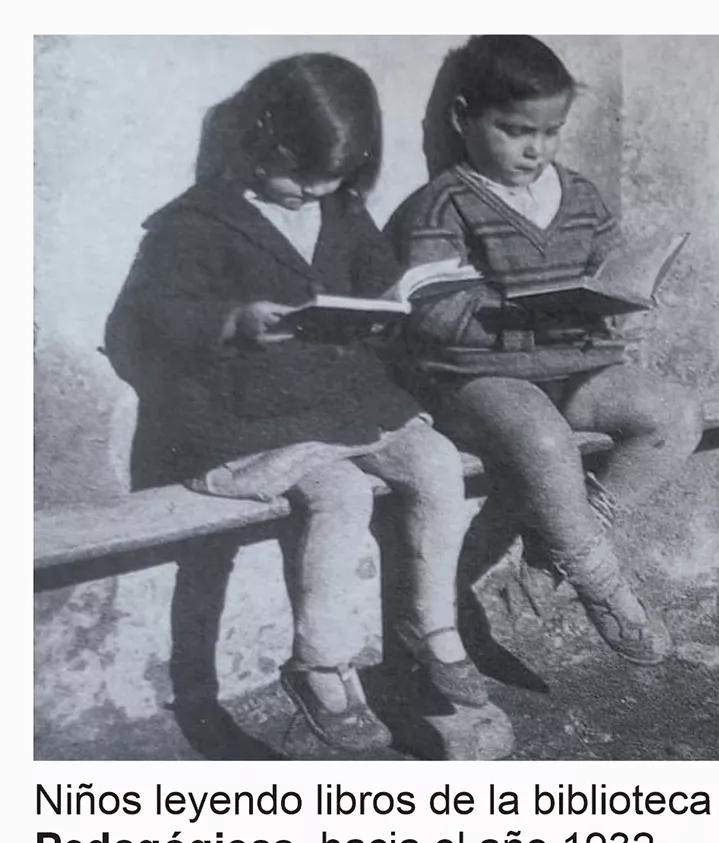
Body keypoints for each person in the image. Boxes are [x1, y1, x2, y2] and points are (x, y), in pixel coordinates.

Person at [105, 53, 490, 754]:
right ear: (259, 139)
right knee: (339, 494)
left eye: (331, 178)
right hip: (246, 413)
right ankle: (321, 665)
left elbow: (378, 281)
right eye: (298, 174)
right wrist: (231, 321)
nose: (310, 191)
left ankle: (432, 626)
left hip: (338, 398)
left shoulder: (338, 208)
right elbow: (136, 326)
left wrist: (404, 300)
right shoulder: (194, 224)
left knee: (435, 462)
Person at [387, 35, 703, 666]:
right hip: (479, 380)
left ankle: (557, 542)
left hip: (573, 365)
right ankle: (601, 583)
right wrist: (521, 321)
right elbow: (433, 308)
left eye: (551, 132)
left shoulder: (579, 195)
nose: (536, 149)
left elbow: (606, 269)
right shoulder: (441, 205)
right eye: (514, 130)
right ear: (462, 119)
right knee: (542, 440)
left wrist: (624, 304)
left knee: (674, 414)